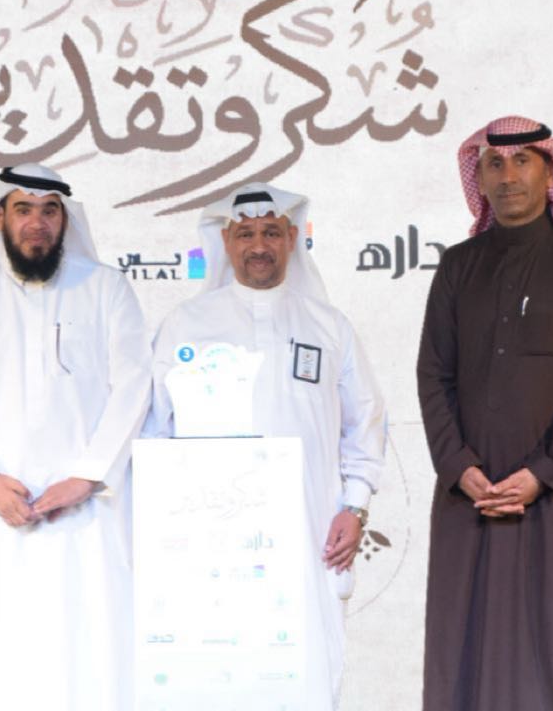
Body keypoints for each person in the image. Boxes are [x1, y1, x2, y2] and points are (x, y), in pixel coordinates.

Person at [145, 183, 388, 710]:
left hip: (310, 534)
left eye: (272, 233)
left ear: (292, 240)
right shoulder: (186, 323)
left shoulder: (329, 326)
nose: (259, 246)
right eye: (246, 234)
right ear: (225, 243)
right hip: (209, 545)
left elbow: (365, 422)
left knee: (306, 674)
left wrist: (354, 507)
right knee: (214, 679)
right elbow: (154, 429)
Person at [0, 163, 151, 711]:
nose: (37, 223)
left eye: (50, 211)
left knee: (91, 650)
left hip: (88, 514)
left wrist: (88, 476)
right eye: (23, 210)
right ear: (0, 218)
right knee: (2, 652)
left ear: (65, 220)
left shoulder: (107, 288)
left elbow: (133, 388)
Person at [418, 116, 553, 710]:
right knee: (466, 643)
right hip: (473, 490)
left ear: (551, 171)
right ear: (479, 178)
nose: (507, 176)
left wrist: (543, 473)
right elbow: (434, 374)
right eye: (494, 164)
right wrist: (459, 467)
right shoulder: (459, 265)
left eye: (522, 161)